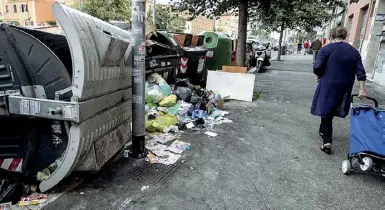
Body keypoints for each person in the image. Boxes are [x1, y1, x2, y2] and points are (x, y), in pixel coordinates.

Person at [311, 27, 368, 154]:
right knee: (329, 109)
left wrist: (319, 74)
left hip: (328, 84)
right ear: (345, 36)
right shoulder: (353, 51)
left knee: (325, 109)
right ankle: (322, 131)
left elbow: (317, 66)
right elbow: (360, 72)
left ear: (331, 35)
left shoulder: (326, 49)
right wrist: (362, 89)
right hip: (345, 86)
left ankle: (327, 141)